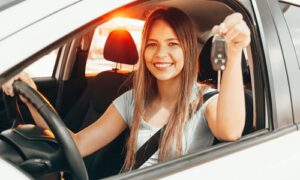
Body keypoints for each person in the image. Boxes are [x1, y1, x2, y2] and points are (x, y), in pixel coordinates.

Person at [2, 7, 250, 171]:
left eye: (172, 44)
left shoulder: (205, 101)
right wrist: (31, 96)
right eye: (152, 44)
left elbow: (230, 130)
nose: (161, 54)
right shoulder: (133, 100)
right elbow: (77, 144)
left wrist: (234, 52)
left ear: (188, 49)